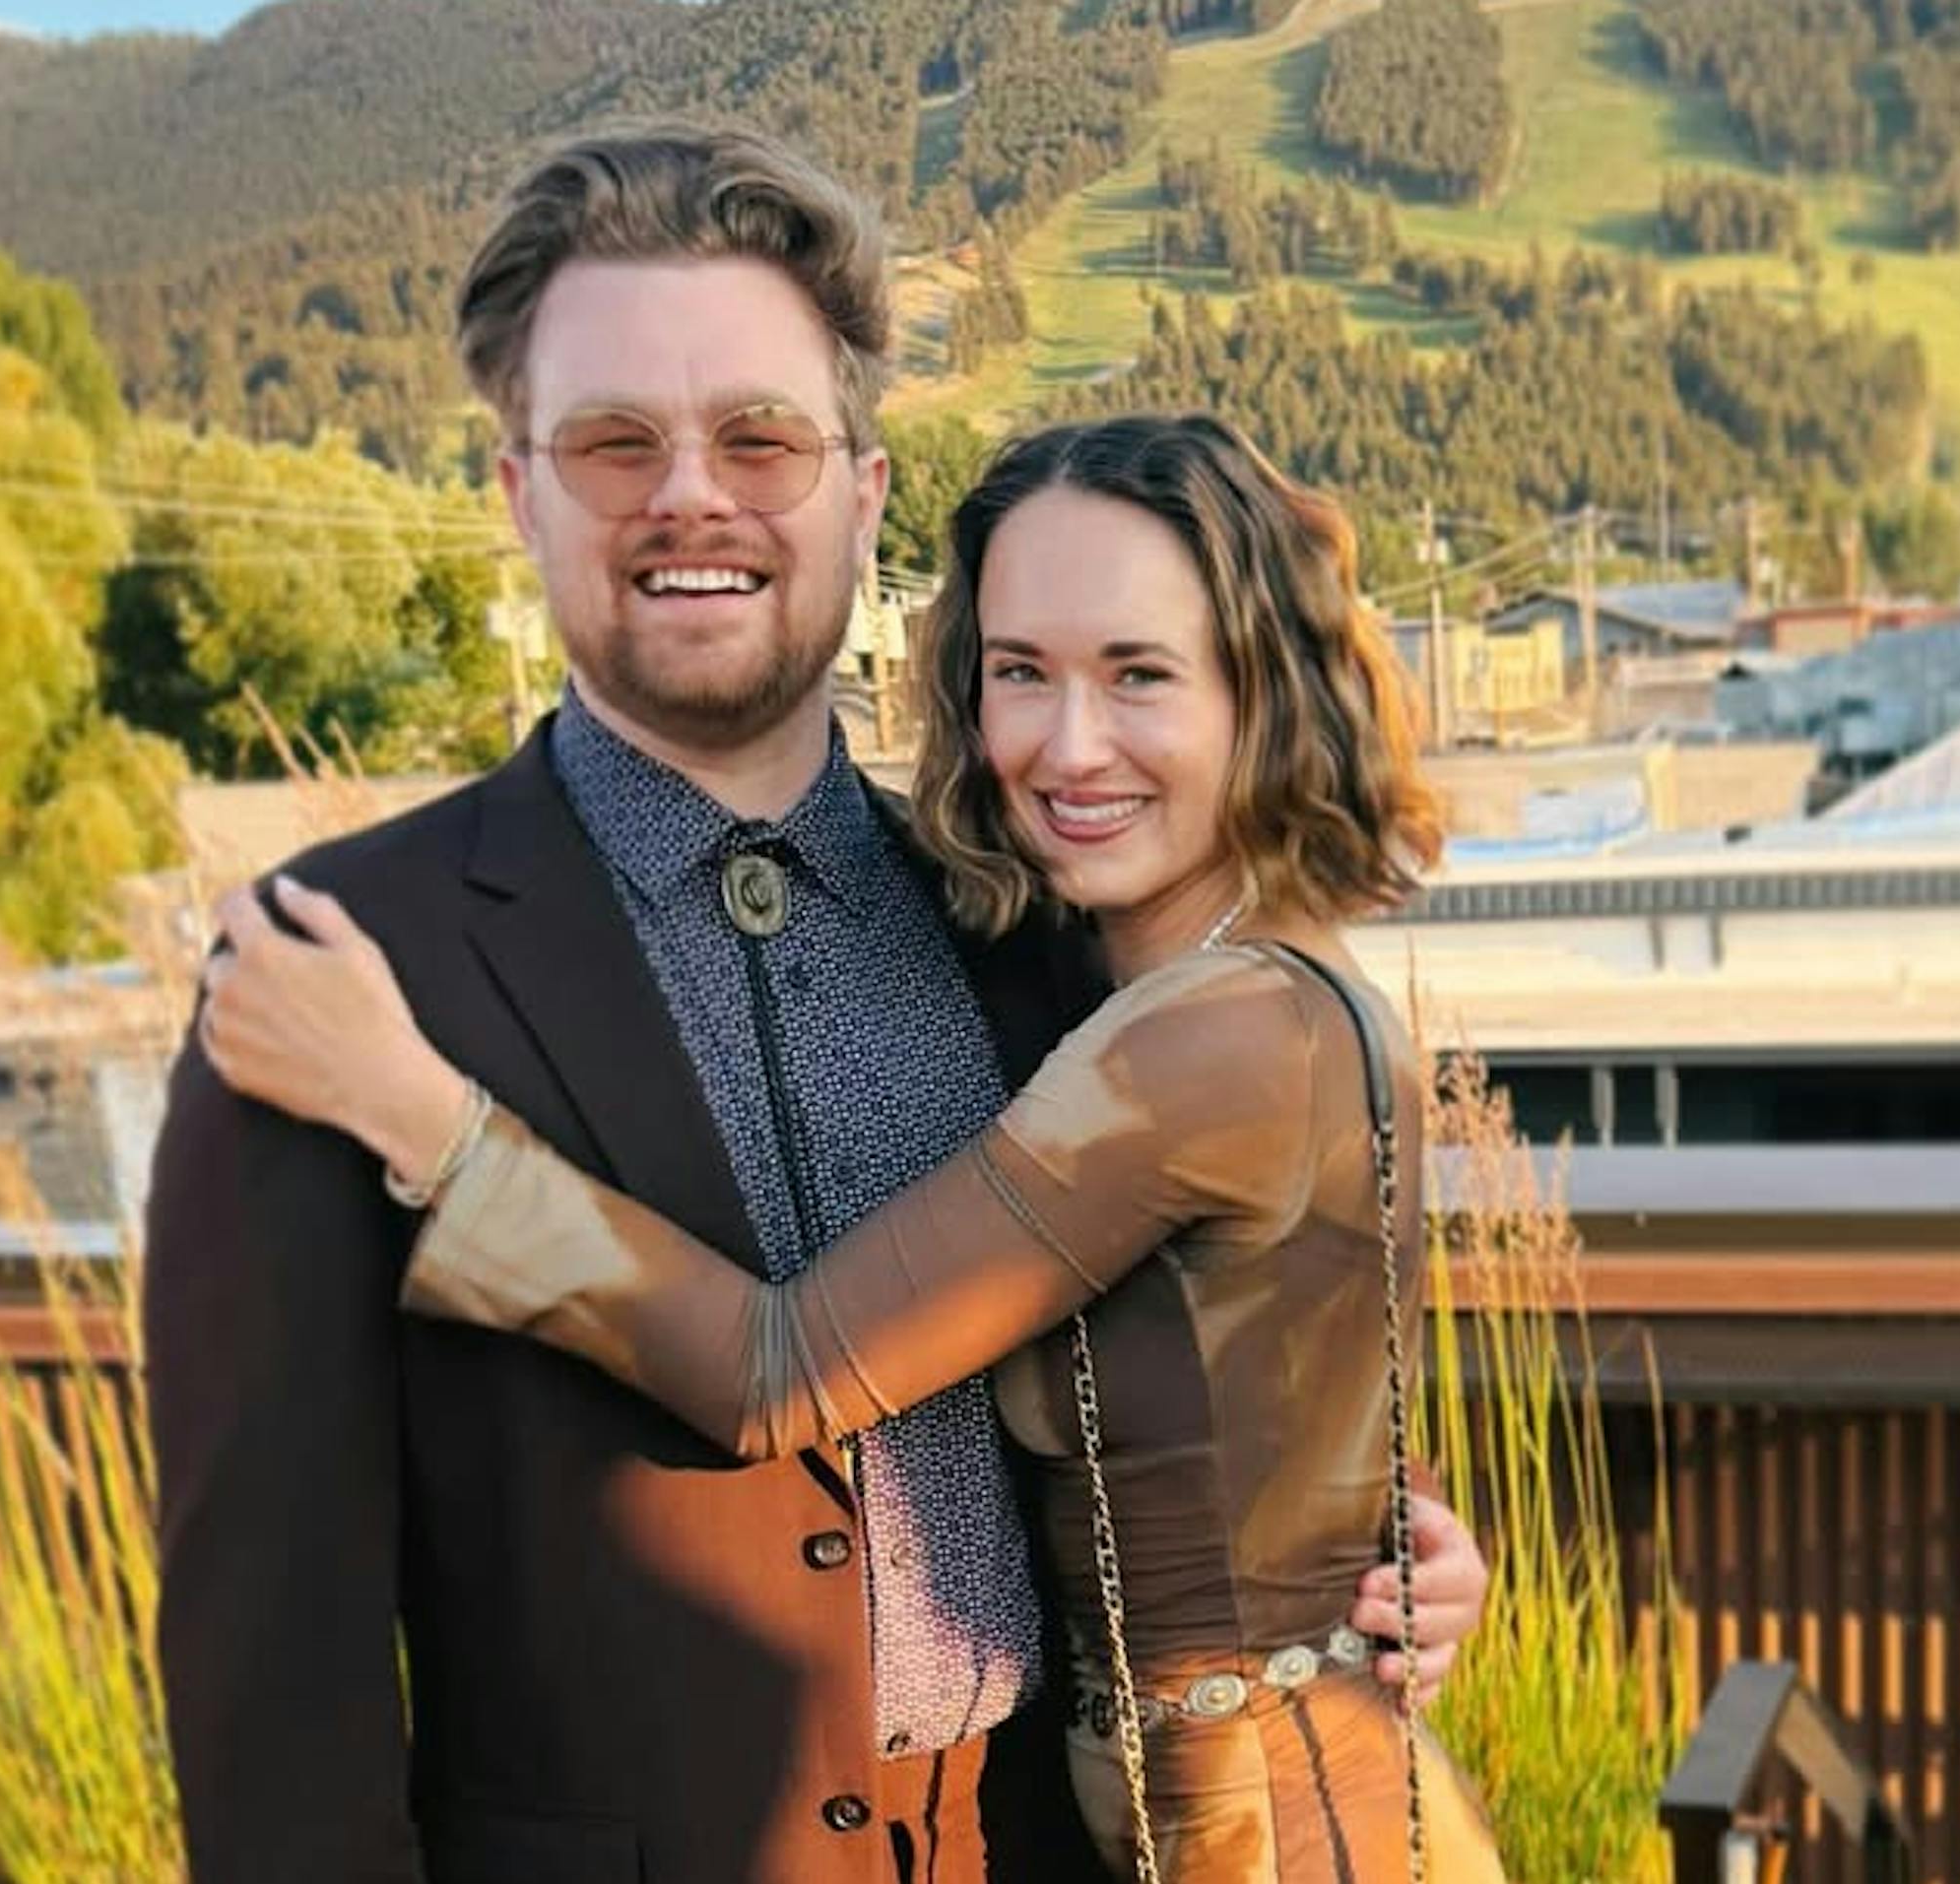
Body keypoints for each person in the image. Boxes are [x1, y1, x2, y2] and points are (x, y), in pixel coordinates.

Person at [141, 125, 1486, 1884]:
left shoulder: (1040, 920)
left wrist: (1365, 1564)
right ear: (516, 492)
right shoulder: (337, 981)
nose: (690, 495)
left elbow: (1208, 1352)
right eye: (614, 441)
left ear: (860, 486)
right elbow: (273, 1674)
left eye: (759, 436)